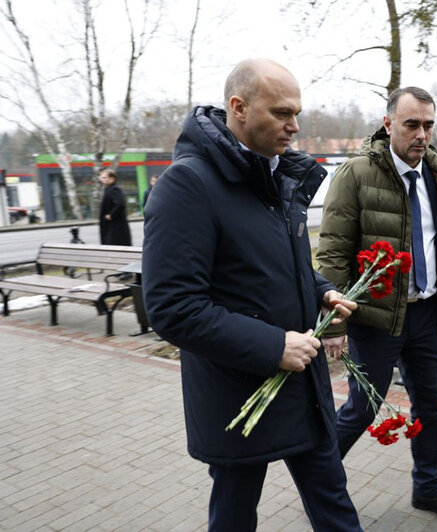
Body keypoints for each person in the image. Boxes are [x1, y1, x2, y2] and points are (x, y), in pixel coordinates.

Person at [142, 58, 362, 532]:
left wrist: (320, 290)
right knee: (235, 518)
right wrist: (272, 346)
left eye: (297, 113)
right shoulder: (188, 185)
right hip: (239, 397)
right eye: (282, 113)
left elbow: (281, 267)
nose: (295, 126)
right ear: (239, 108)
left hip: (303, 390)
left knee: (337, 509)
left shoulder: (278, 178)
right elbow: (172, 308)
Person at [316, 86, 437, 525]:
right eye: (412, 124)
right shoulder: (356, 174)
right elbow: (333, 253)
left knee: (430, 403)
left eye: (428, 125)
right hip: (375, 319)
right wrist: (335, 322)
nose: (421, 134)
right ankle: (318, 487)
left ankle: (428, 489)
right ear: (388, 123)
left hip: (424, 315)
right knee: (363, 408)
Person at [98, 168, 132, 245]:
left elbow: (120, 203)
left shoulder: (115, 189)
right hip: (111, 225)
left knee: (115, 244)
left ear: (112, 179)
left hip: (115, 226)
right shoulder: (108, 189)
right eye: (101, 177)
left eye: (104, 177)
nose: (101, 179)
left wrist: (111, 215)